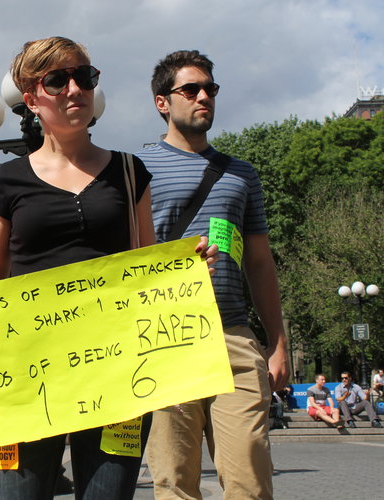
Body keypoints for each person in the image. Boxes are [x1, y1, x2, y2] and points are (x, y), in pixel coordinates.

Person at [0, 37, 216, 499]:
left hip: (120, 370)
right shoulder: (5, 180)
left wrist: (185, 276)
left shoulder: (130, 172)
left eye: (84, 77)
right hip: (25, 371)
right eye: (57, 80)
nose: (74, 89)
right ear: (30, 98)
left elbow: (145, 265)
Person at [138, 49, 290, 499]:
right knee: (174, 482)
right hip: (164, 340)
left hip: (233, 336)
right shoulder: (135, 171)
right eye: (191, 89)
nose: (204, 96)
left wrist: (277, 343)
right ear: (163, 102)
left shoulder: (242, 174)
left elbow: (260, 263)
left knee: (250, 478)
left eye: (210, 89)